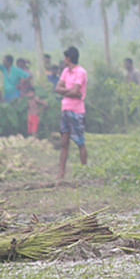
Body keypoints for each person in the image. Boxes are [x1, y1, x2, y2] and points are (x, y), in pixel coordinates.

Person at [55, 46, 87, 179]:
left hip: (77, 111)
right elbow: (59, 88)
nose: (64, 60)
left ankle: (84, 171)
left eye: (65, 57)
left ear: (69, 58)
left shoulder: (81, 72)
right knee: (64, 142)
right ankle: (61, 173)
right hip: (65, 109)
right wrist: (71, 92)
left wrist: (66, 91)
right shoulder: (65, 71)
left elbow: (73, 91)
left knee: (80, 142)